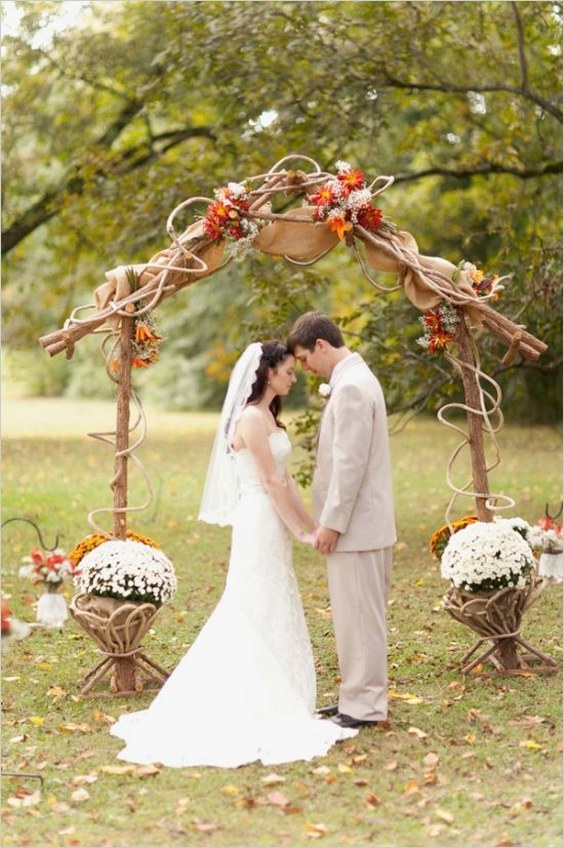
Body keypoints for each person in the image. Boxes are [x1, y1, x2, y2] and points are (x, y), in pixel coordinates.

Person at [110, 340, 356, 767]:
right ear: (266, 373)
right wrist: (300, 531)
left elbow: (288, 482)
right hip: (259, 519)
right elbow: (271, 483)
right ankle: (249, 697)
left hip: (274, 517)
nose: (294, 377)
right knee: (251, 601)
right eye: (287, 371)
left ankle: (282, 690)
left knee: (275, 598)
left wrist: (312, 526)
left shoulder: (269, 418)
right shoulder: (250, 419)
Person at [287, 313, 397, 729]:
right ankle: (356, 695)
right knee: (356, 618)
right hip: (364, 525)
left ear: (320, 345)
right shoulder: (356, 378)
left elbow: (349, 465)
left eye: (303, 358)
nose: (303, 367)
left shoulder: (351, 387)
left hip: (356, 528)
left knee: (361, 618)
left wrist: (331, 523)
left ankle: (365, 707)